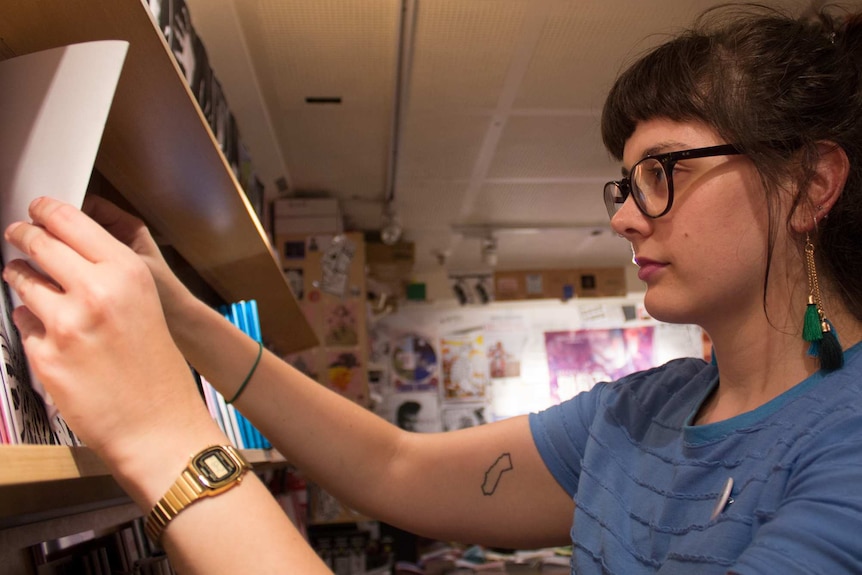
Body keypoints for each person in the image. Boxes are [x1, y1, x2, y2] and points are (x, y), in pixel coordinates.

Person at [4, 3, 862, 573]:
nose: (628, 217)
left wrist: (163, 439)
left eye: (663, 172)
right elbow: (394, 465)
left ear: (812, 184)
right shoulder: (638, 414)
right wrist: (184, 318)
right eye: (625, 183)